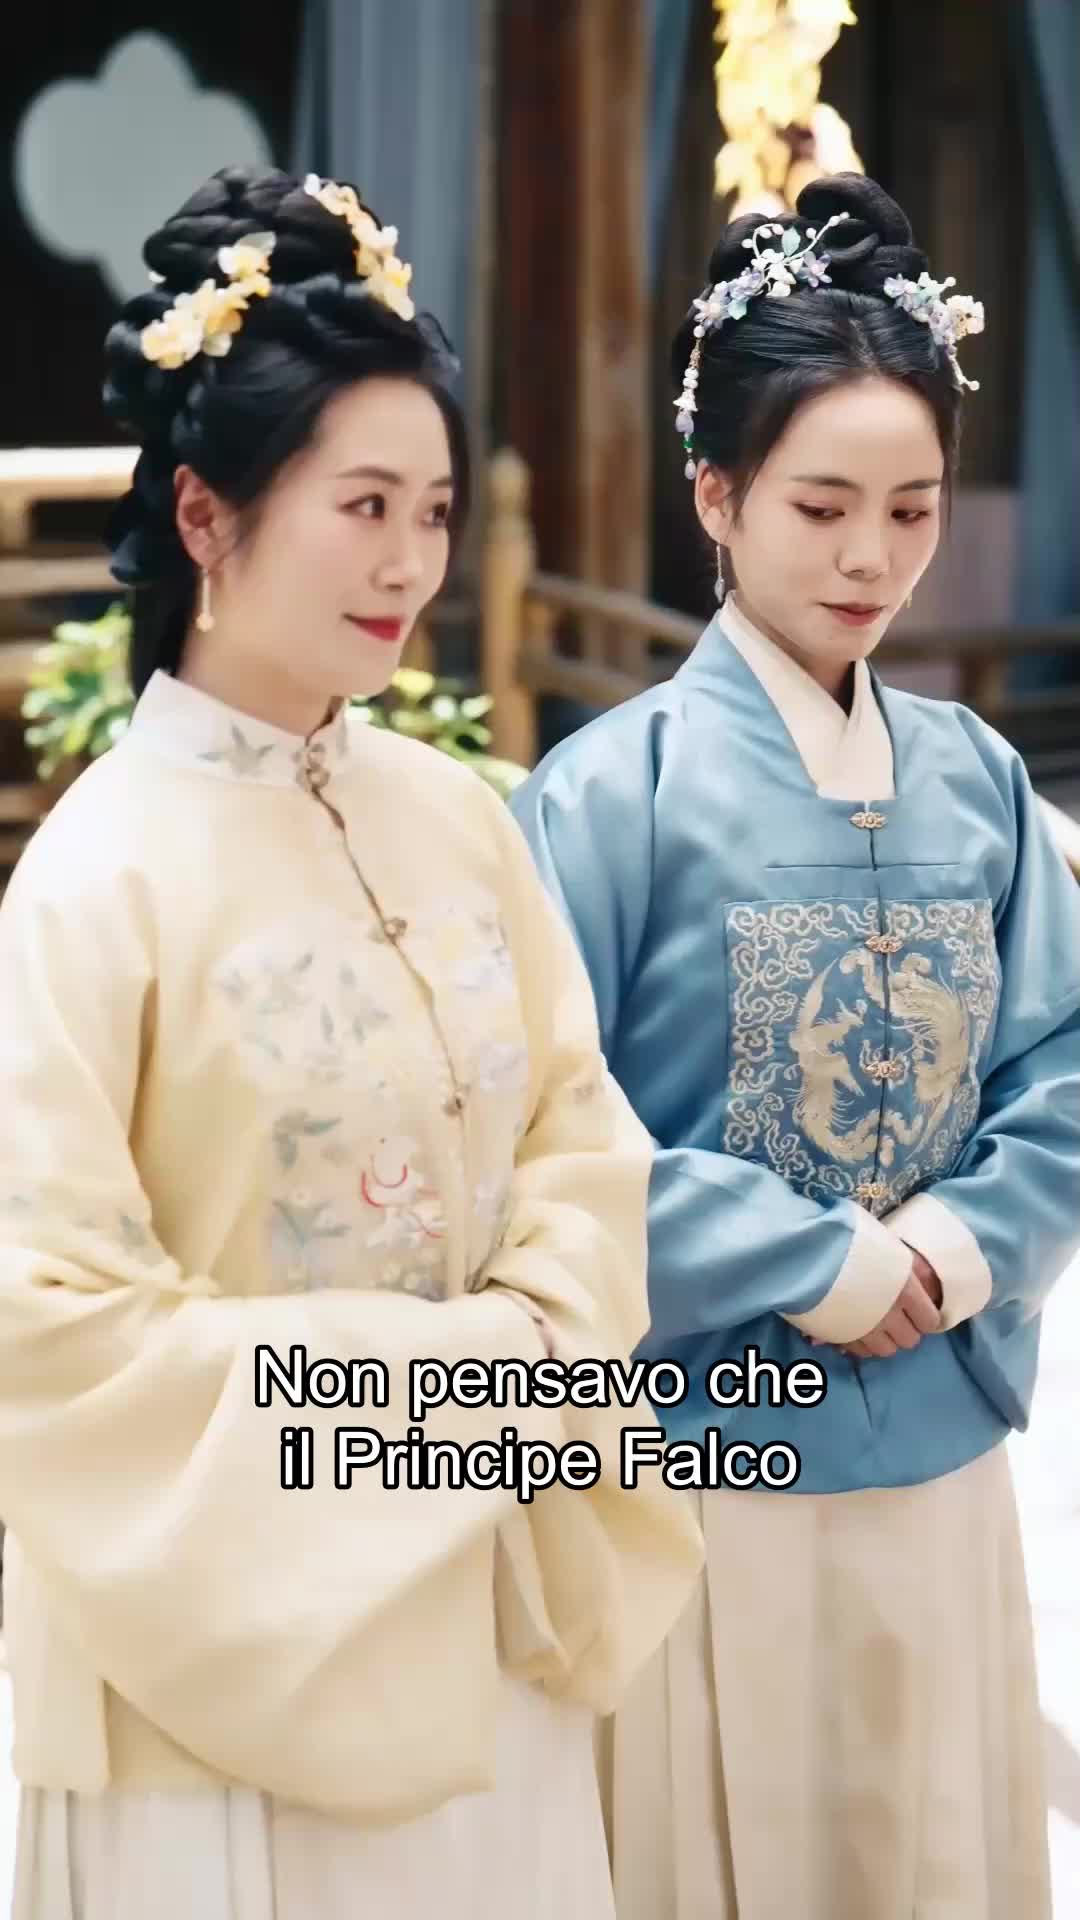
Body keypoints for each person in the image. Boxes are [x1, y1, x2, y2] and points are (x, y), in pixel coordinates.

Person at [0, 165, 702, 1920]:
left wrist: (530, 1351)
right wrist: (449, 1387)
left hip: (484, 1614)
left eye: (436, 510)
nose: (412, 563)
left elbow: (580, 1128)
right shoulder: (95, 879)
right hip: (227, 1682)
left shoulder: (453, 816)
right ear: (207, 514)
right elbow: (49, 1327)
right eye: (365, 505)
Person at [510, 173, 1080, 1919]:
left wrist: (959, 1243)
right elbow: (544, 1130)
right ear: (716, 495)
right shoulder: (606, 794)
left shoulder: (982, 781)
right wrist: (808, 1258)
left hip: (943, 1448)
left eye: (912, 510)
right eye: (822, 507)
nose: (870, 559)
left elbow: (1062, 1066)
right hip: (707, 1459)